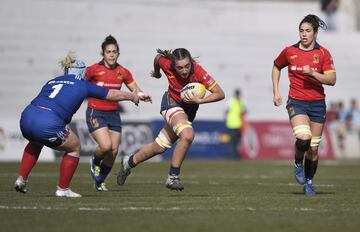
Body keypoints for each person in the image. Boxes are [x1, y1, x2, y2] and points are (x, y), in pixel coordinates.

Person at [14, 55, 141, 198]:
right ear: (81, 73)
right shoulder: (82, 84)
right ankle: (63, 189)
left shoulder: (52, 81)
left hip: (26, 117)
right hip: (48, 121)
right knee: (74, 147)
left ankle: (22, 179)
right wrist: (131, 96)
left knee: (35, 142)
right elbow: (112, 94)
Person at [116, 48, 225, 191]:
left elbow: (220, 93)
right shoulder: (166, 64)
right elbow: (157, 58)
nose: (184, 70)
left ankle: (128, 162)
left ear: (191, 62)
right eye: (180, 68)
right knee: (187, 134)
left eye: (187, 66)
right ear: (173, 65)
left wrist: (200, 100)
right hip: (171, 102)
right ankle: (173, 176)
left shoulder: (198, 71)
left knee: (159, 147)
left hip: (188, 111)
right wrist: (156, 73)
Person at [271, 14, 336, 196]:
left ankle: (308, 182)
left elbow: (332, 80)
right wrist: (276, 91)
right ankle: (298, 162)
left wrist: (314, 74)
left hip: (317, 104)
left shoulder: (323, 53)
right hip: (297, 101)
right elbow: (276, 67)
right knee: (304, 139)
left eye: (308, 31)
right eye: (301, 31)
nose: (304, 34)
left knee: (314, 149)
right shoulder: (289, 51)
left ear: (315, 33)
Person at [86, 35, 152, 192]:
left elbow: (135, 90)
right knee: (106, 146)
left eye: (114, 51)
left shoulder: (123, 72)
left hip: (113, 114)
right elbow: (78, 84)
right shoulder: (93, 70)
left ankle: (100, 181)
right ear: (103, 54)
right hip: (96, 111)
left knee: (114, 151)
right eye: (108, 51)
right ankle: (95, 162)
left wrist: (143, 96)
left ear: (118, 54)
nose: (111, 54)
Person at [224, 88, 246, 159]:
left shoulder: (241, 102)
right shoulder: (230, 101)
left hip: (238, 125)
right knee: (232, 141)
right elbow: (226, 111)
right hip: (231, 124)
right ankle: (233, 156)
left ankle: (234, 155)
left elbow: (244, 111)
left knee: (236, 141)